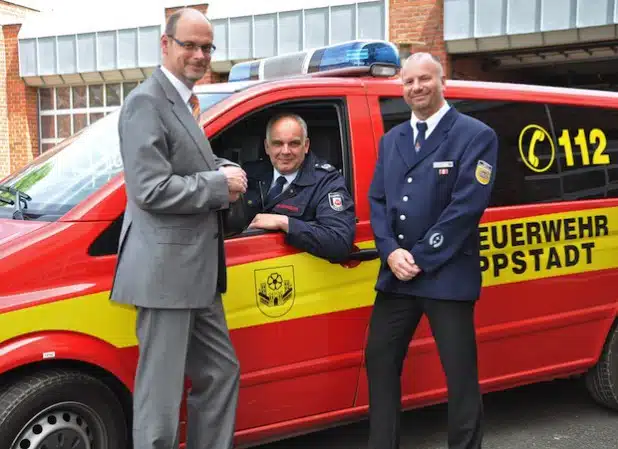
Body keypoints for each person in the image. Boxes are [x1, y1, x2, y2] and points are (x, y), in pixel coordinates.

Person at [110, 8, 246, 449]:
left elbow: (184, 165)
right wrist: (218, 184)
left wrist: (222, 168)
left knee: (220, 372)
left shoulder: (186, 101)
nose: (200, 54)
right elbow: (149, 188)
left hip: (198, 273)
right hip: (166, 273)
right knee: (161, 397)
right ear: (165, 44)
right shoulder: (146, 102)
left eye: (207, 47)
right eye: (190, 44)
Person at [365, 52, 499, 449]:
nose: (416, 88)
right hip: (397, 275)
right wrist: (389, 252)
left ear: (443, 82)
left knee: (459, 374)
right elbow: (377, 201)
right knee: (380, 359)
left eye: (425, 79)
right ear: (400, 87)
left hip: (446, 273)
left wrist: (419, 258)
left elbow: (466, 207)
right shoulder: (393, 140)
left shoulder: (474, 135)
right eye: (408, 82)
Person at [243, 113, 356, 261]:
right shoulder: (249, 174)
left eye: (294, 143)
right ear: (267, 147)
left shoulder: (326, 181)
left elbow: (339, 242)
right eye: (278, 143)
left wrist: (284, 223)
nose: (285, 151)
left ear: (306, 146)